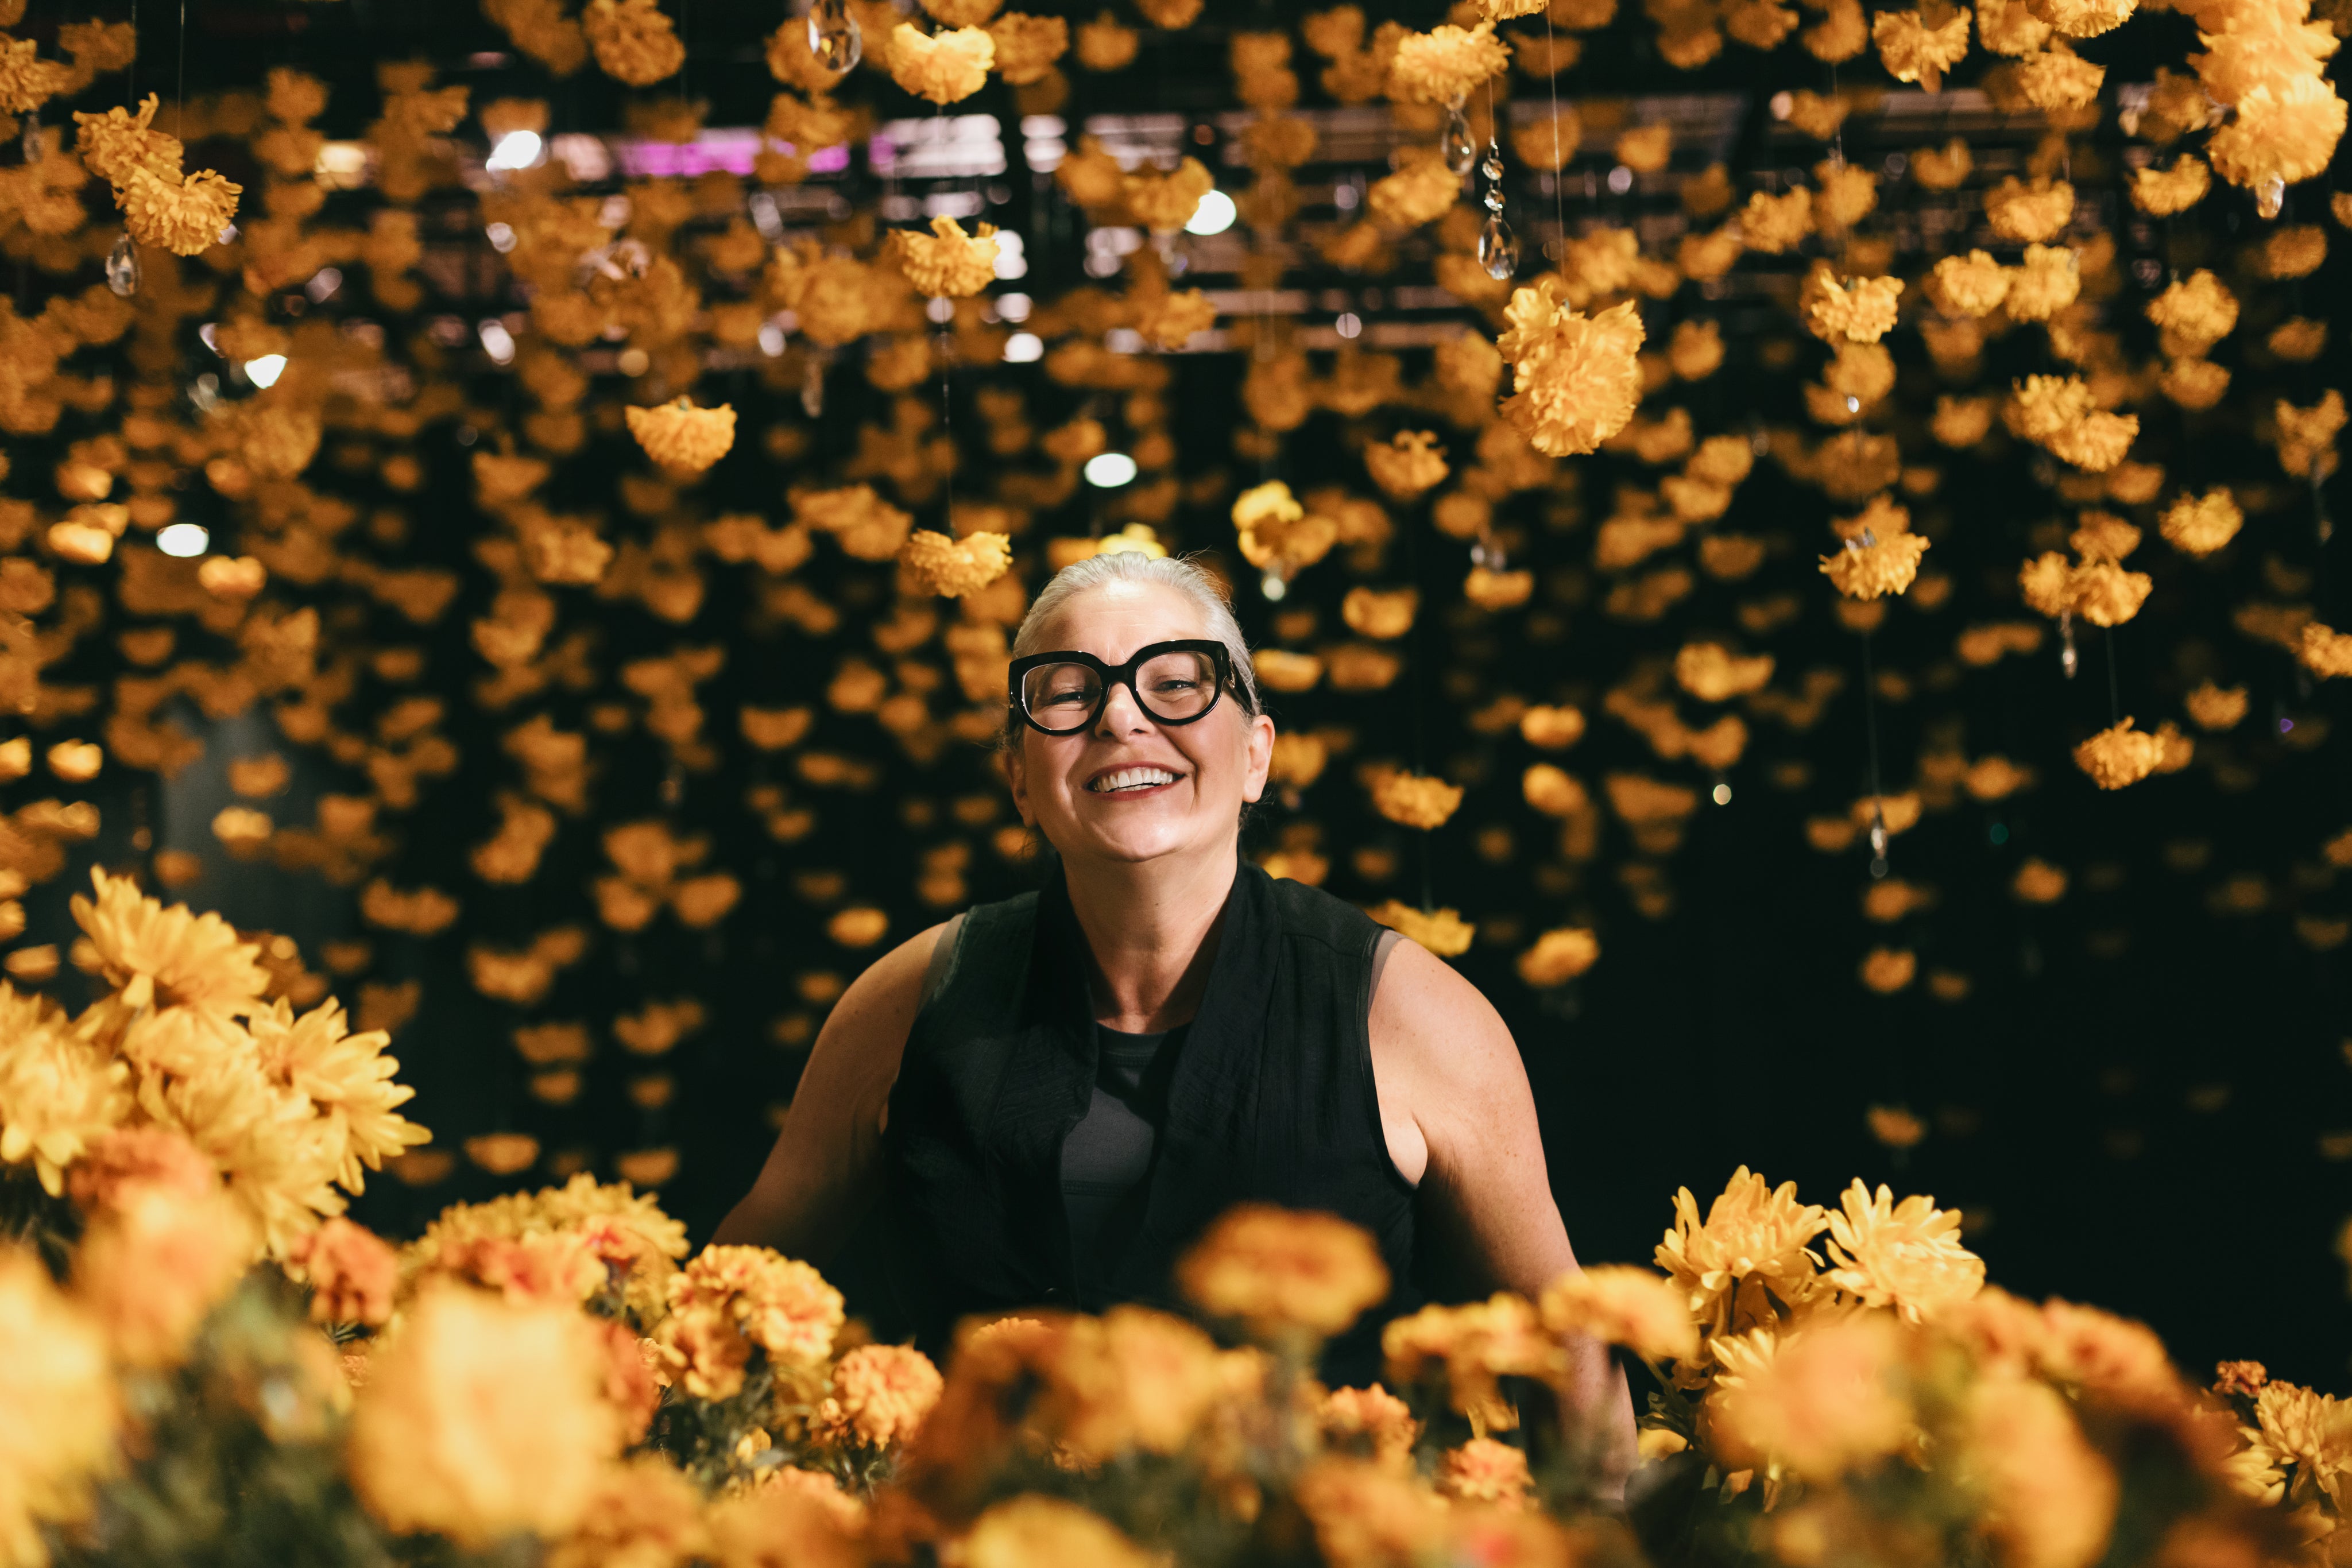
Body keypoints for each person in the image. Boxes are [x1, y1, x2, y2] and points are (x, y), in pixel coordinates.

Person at [718, 550, 1632, 1474]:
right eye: (1069, 692)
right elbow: (727, 1302)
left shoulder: (1412, 1016)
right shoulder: (911, 1001)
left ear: (1255, 755)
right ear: (1020, 779)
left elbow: (1573, 1371)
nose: (1122, 716)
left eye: (1177, 684)